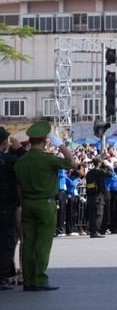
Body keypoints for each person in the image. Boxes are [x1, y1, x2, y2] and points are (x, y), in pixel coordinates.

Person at [14, 121, 77, 291]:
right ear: (44, 141)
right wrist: (62, 145)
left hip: (27, 203)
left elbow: (18, 187)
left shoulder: (21, 162)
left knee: (27, 244)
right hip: (45, 204)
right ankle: (39, 279)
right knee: (42, 244)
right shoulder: (48, 159)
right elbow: (72, 163)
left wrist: (23, 203)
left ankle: (28, 280)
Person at [0, 127, 25, 289]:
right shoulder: (9, 161)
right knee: (6, 242)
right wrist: (20, 150)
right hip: (6, 206)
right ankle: (2, 275)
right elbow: (28, 164)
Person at [84, 158, 108, 239]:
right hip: (98, 195)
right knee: (98, 214)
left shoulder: (89, 173)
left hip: (90, 195)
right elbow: (110, 174)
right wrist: (108, 166)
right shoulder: (99, 171)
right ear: (99, 163)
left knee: (92, 214)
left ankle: (93, 231)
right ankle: (95, 231)